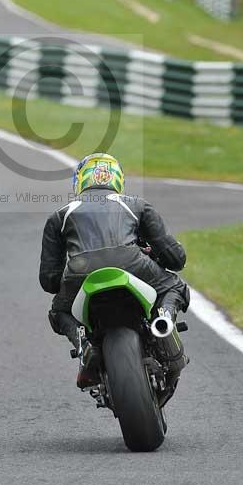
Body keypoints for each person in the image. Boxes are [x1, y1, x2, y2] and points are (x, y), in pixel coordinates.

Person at [39, 152, 190, 389]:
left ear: (80, 182)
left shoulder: (60, 216)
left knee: (60, 311)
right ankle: (164, 320)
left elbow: (49, 281)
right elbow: (176, 259)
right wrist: (153, 254)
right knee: (175, 285)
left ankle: (84, 346)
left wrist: (70, 277)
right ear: (118, 180)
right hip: (133, 263)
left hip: (80, 271)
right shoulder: (136, 205)